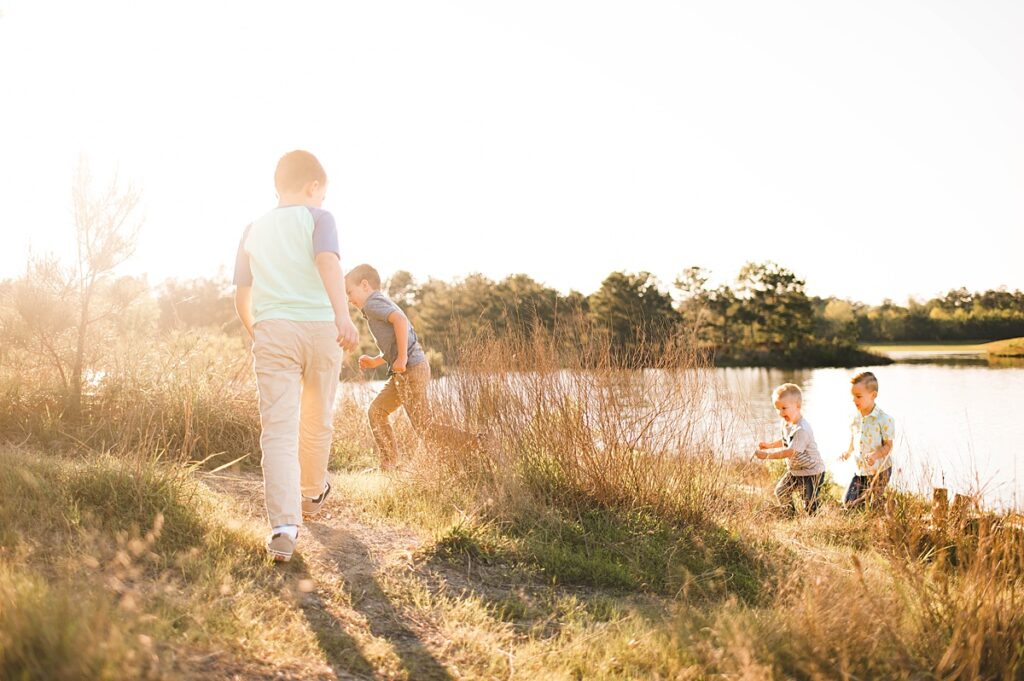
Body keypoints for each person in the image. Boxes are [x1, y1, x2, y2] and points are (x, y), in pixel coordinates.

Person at [233, 150, 359, 562]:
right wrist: (344, 318)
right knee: (317, 418)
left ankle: (284, 528)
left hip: (274, 331)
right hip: (321, 328)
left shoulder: (253, 228)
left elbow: (242, 295)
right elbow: (327, 262)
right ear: (313, 186)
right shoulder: (320, 218)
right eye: (321, 194)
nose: (321, 200)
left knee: (279, 429)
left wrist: (262, 331)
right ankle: (311, 494)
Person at [345, 264, 476, 469]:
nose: (349, 299)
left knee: (426, 427)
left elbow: (401, 320)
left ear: (364, 285)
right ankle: (389, 464)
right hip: (406, 370)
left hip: (411, 369)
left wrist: (403, 358)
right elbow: (396, 342)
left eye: (349, 292)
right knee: (377, 412)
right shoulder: (377, 304)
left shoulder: (372, 303)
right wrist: (377, 360)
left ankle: (479, 443)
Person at [754, 383, 827, 515]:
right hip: (796, 471)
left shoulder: (801, 429)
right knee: (781, 491)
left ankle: (815, 521)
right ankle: (790, 515)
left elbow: (789, 452)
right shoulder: (787, 423)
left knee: (810, 505)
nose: (780, 413)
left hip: (812, 473)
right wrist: (769, 445)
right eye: (777, 409)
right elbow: (787, 441)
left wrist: (767, 456)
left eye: (784, 408)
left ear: (798, 407)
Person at [840, 371, 895, 509]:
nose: (854, 400)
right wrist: (848, 452)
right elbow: (854, 437)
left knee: (869, 505)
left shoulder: (884, 419)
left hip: (880, 471)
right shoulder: (855, 417)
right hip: (861, 471)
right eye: (853, 396)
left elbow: (888, 446)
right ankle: (871, 502)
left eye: (858, 396)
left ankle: (885, 504)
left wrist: (875, 455)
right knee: (848, 503)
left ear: (873, 395)